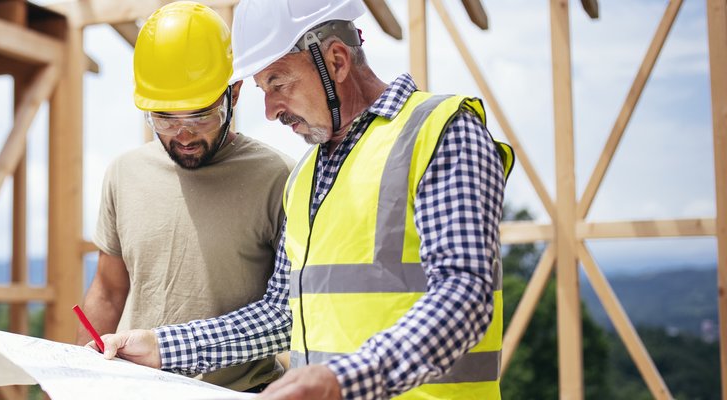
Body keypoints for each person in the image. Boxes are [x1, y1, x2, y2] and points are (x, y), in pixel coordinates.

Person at [92, 0, 516, 399]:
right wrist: (162, 346)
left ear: (336, 61)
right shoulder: (306, 176)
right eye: (261, 88)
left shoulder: (441, 133)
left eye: (277, 82)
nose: (271, 110)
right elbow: (281, 316)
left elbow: (465, 294)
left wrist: (341, 381)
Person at [77, 1, 294, 393]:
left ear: (235, 94)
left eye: (200, 116)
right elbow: (108, 290)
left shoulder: (279, 178)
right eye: (164, 118)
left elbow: (287, 315)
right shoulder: (124, 174)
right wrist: (70, 379)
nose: (183, 134)